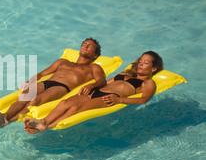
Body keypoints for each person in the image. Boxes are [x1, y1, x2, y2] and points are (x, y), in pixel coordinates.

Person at [23, 51, 164, 133]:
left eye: (146, 62)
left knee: (77, 108)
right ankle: (43, 122)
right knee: (65, 102)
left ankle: (49, 127)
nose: (141, 63)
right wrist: (92, 86)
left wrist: (120, 100)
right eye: (141, 61)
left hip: (110, 97)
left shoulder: (148, 82)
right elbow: (106, 82)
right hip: (98, 91)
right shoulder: (125, 73)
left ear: (153, 69)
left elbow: (143, 99)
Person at [0, 38, 106, 128]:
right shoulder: (63, 61)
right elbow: (42, 74)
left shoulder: (93, 68)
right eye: (84, 44)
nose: (86, 46)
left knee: (36, 100)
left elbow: (101, 81)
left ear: (95, 55)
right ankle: (5, 117)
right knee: (24, 96)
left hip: (62, 87)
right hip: (47, 82)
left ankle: (10, 121)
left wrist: (92, 85)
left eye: (90, 46)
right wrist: (30, 81)